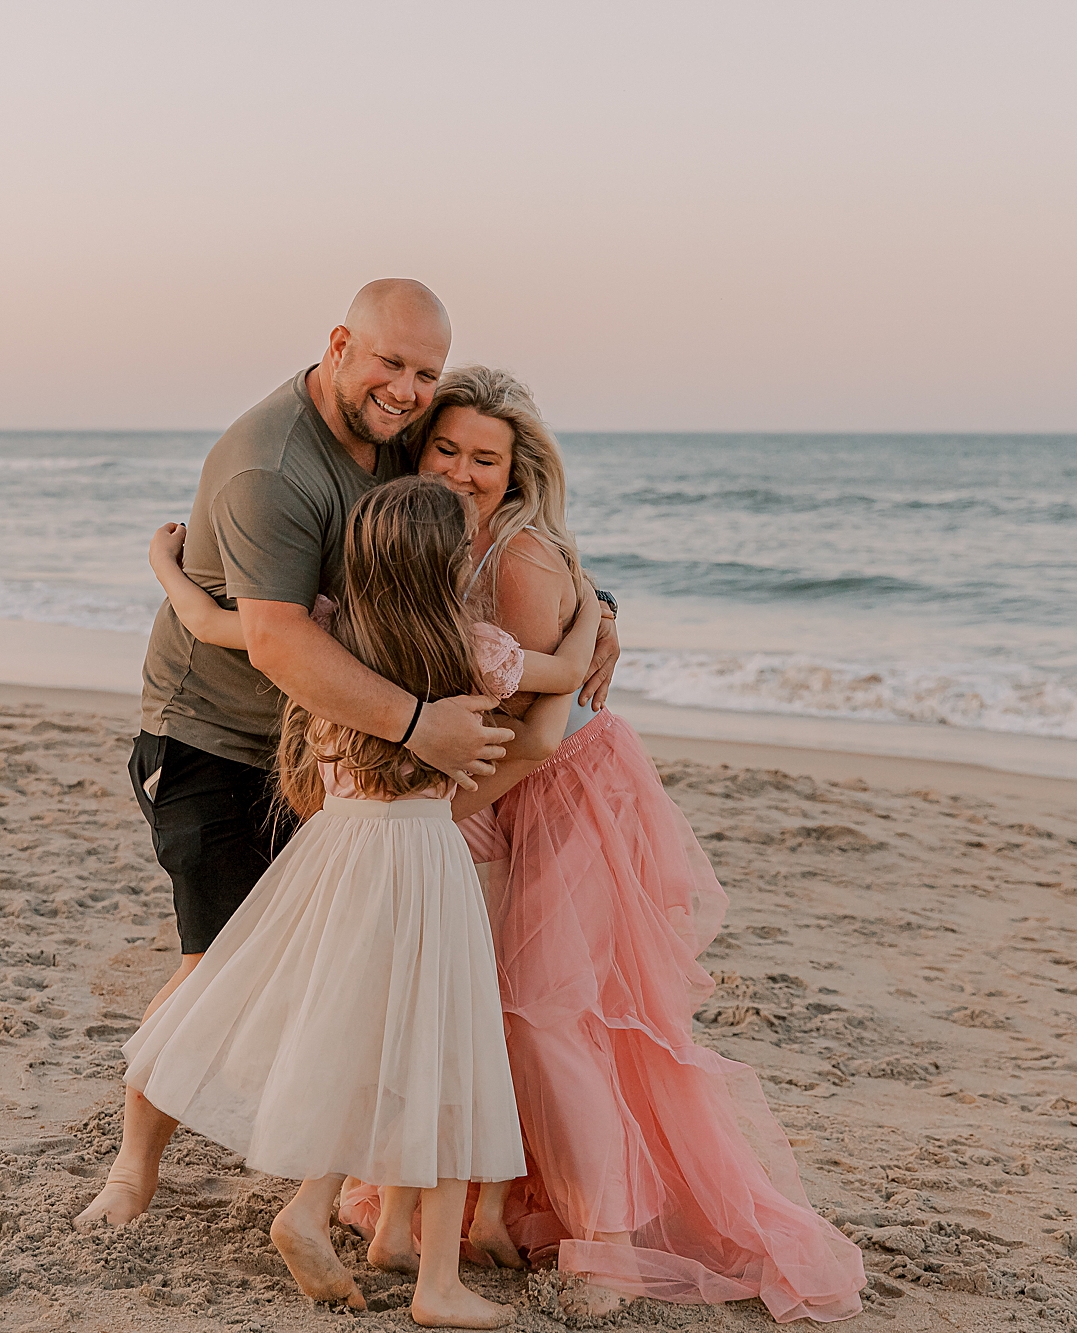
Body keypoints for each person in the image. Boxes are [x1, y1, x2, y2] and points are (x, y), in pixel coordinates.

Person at [73, 280, 622, 1246]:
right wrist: (420, 725)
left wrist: (597, 596)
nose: (408, 391)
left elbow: (484, 503)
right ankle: (136, 1160)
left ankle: (329, 1188)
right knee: (218, 964)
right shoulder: (271, 467)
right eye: (390, 364)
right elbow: (280, 640)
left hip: (336, 753)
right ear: (338, 345)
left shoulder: (401, 435)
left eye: (425, 372)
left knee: (338, 969)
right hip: (223, 738)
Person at [343, 368, 868, 1324]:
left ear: (517, 469)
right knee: (490, 1010)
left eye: (485, 458)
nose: (462, 471)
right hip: (495, 788)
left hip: (566, 787)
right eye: (446, 450)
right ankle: (484, 1207)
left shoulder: (521, 558)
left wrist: (592, 617)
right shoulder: (435, 542)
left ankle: (609, 1250)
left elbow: (551, 710)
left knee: (549, 1012)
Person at [124, 477, 600, 1327]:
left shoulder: (330, 635)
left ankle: (314, 1209)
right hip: (421, 856)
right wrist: (596, 608)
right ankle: (437, 1283)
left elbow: (208, 623)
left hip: (333, 852)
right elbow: (560, 676)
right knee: (448, 1053)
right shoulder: (478, 647)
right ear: (452, 564)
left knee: (357, 1036)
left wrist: (165, 561)